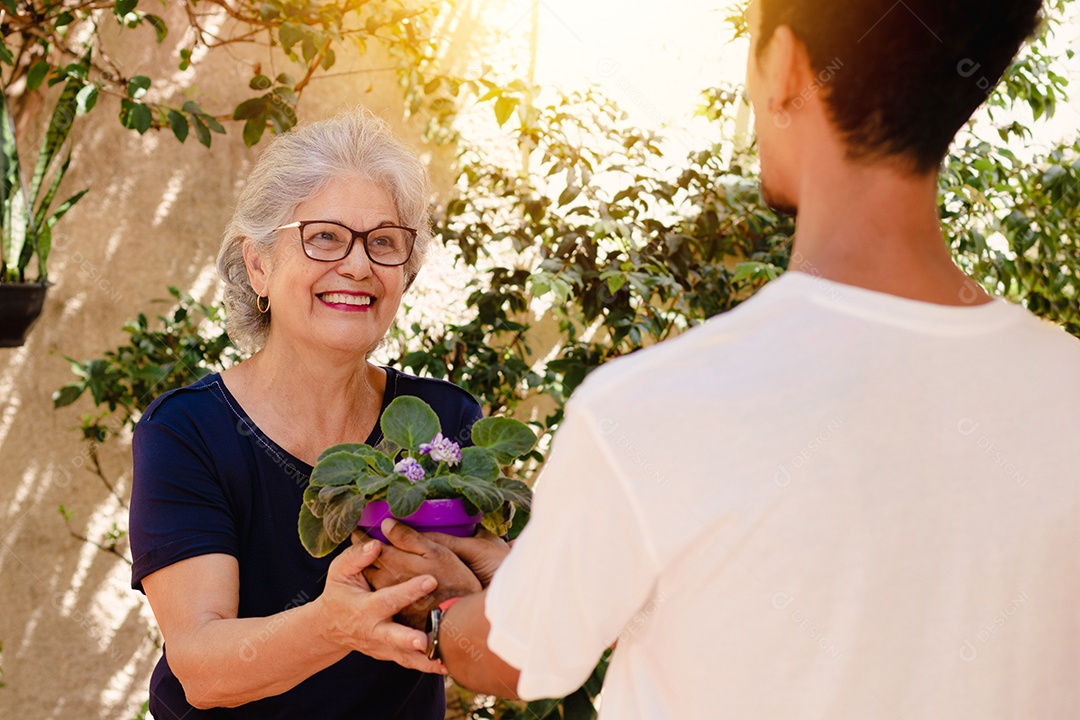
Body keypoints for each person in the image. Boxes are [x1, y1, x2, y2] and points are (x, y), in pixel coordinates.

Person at [367, 0, 1080, 716]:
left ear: (786, 66)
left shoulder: (654, 407)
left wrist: (442, 617)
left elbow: (516, 656)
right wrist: (528, 581)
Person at [129, 110, 487, 719]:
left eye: (384, 242)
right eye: (324, 236)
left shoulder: (443, 418)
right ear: (260, 265)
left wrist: (511, 580)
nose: (356, 265)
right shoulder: (187, 432)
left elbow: (474, 630)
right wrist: (335, 624)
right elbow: (202, 669)